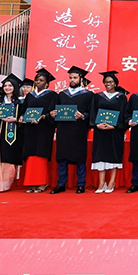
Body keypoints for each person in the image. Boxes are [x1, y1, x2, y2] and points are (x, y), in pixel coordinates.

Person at [50, 66, 94, 194]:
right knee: (62, 157)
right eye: (70, 78)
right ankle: (61, 184)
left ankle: (81, 184)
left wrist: (83, 116)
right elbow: (55, 109)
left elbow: (91, 112)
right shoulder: (62, 94)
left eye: (75, 78)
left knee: (80, 157)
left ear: (81, 79)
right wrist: (53, 114)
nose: (72, 80)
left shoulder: (88, 95)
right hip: (63, 129)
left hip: (78, 130)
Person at [90, 71, 128, 194]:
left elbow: (124, 115)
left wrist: (115, 125)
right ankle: (101, 183)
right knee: (100, 156)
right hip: (101, 131)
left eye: (111, 82)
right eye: (106, 82)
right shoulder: (98, 96)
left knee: (113, 156)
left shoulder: (121, 97)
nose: (108, 84)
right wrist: (97, 124)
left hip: (114, 132)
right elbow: (93, 112)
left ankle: (111, 182)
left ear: (115, 83)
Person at [21, 69, 58, 193]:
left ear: (47, 83)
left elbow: (53, 112)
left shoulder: (53, 95)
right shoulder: (30, 95)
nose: (38, 82)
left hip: (44, 129)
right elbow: (23, 110)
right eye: (37, 80)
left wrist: (44, 117)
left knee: (41, 155)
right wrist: (22, 117)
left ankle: (42, 182)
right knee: (31, 154)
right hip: (30, 129)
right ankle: (31, 183)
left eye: (41, 80)